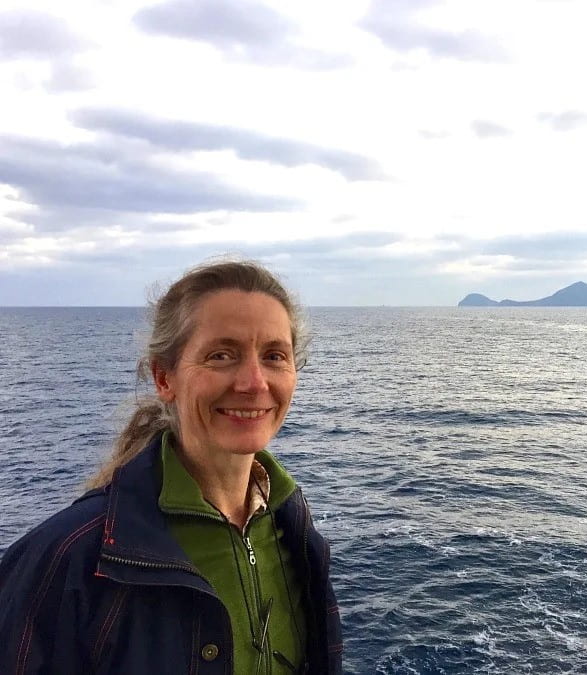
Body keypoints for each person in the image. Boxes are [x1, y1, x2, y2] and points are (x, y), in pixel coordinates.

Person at [0, 259, 342, 674]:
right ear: (165, 379)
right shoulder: (67, 560)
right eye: (221, 355)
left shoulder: (294, 527)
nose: (254, 382)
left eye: (274, 355)